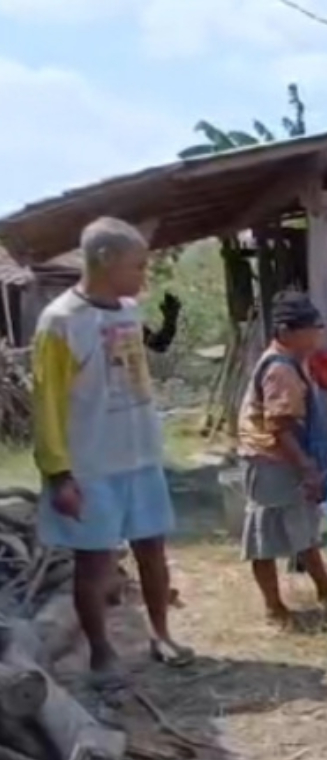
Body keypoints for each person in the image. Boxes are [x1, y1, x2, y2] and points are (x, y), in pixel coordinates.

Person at [31, 216, 192, 688]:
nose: (143, 276)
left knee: (153, 550)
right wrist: (59, 474)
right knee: (95, 562)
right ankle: (101, 654)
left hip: (139, 455)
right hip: (90, 466)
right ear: (104, 260)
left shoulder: (126, 311)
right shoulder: (60, 322)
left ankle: (161, 635)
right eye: (137, 266)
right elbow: (47, 403)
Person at [236, 290, 327, 626]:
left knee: (303, 529)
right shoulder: (281, 369)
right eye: (311, 328)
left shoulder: (294, 363)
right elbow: (280, 425)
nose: (317, 335)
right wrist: (307, 467)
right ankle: (274, 607)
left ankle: (326, 589)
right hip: (272, 460)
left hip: (284, 459)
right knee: (264, 535)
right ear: (287, 331)